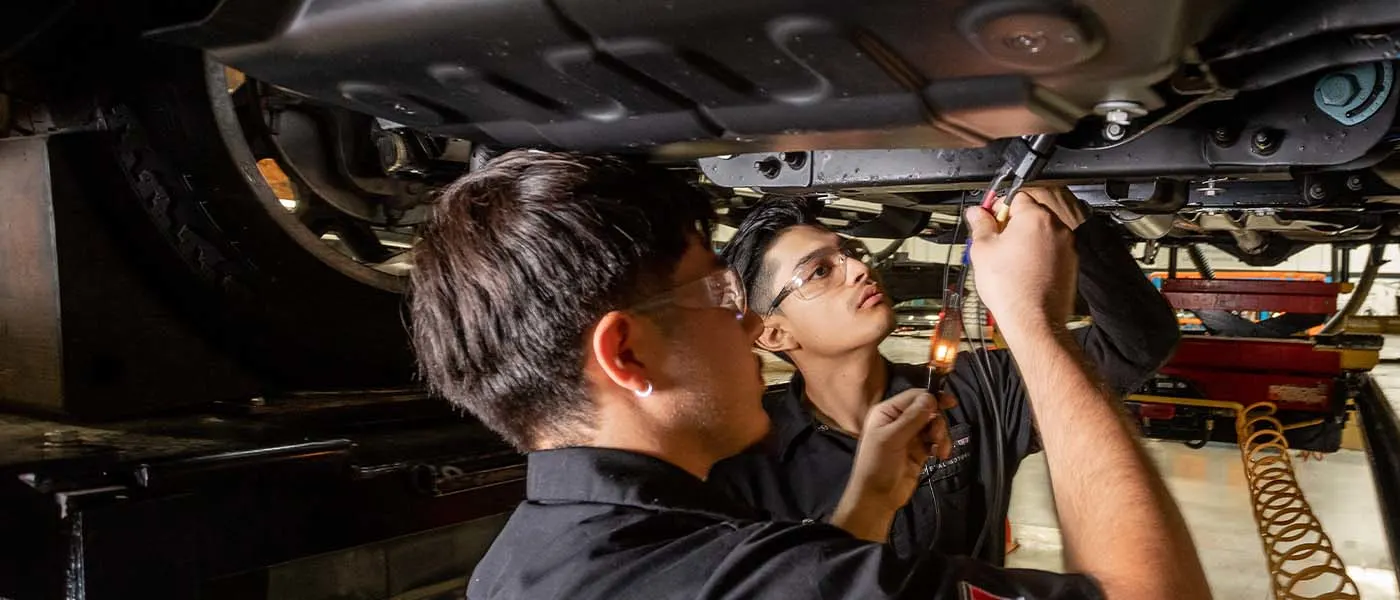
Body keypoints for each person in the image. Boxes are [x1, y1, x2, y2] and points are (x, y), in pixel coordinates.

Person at [408, 150, 1210, 599]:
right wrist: (1032, 318)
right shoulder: (748, 547)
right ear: (626, 356)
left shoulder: (516, 570)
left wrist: (866, 503)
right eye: (720, 298)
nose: (740, 328)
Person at [710, 188, 1180, 562]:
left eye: (848, 252)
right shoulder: (746, 454)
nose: (858, 268)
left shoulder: (972, 391)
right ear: (773, 335)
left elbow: (1136, 344)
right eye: (818, 272)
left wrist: (1078, 225)